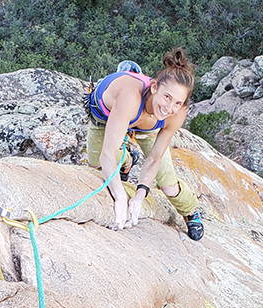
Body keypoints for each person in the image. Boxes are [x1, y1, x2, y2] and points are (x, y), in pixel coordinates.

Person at [85, 48, 204, 240]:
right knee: (100, 168)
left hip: (147, 125)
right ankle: (127, 160)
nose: (169, 107)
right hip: (107, 118)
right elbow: (106, 154)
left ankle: (190, 212)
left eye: (177, 102)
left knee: (168, 183)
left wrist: (140, 197)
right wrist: (121, 197)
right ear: (155, 87)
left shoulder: (176, 112)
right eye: (167, 97)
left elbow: (155, 158)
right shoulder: (130, 97)